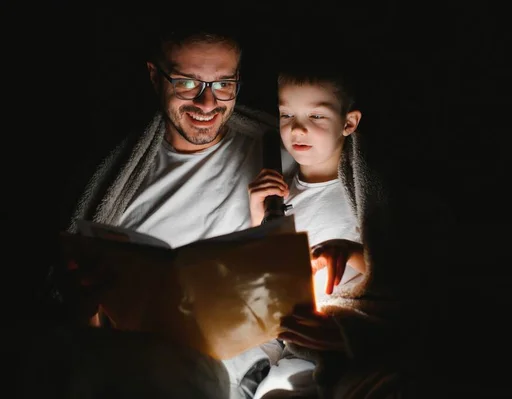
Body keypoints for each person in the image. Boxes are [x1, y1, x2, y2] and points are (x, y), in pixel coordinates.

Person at [47, 23, 295, 399]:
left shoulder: (276, 154)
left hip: (243, 368)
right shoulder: (114, 181)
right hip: (140, 371)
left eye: (223, 84)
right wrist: (81, 312)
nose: (207, 104)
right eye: (186, 83)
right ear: (154, 76)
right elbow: (82, 326)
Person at [246, 65, 375, 398]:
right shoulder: (283, 191)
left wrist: (351, 252)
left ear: (348, 123)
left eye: (316, 117)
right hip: (288, 345)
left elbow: (400, 271)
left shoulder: (364, 192)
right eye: (287, 114)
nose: (297, 128)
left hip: (341, 341)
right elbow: (260, 278)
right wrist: (258, 218)